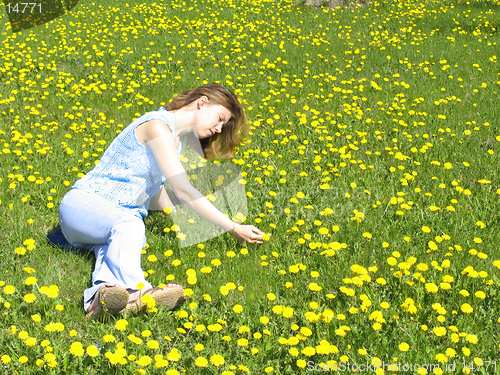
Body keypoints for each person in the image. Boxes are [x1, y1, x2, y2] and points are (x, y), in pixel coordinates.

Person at [57, 84, 267, 320]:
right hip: (83, 205)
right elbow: (183, 189)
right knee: (129, 225)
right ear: (202, 102)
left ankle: (100, 300)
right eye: (220, 119)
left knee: (119, 242)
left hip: (103, 224)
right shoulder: (157, 126)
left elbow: (153, 187)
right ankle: (142, 292)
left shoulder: (175, 142)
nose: (218, 129)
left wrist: (176, 216)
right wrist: (234, 227)